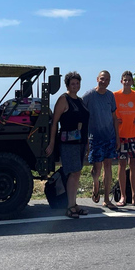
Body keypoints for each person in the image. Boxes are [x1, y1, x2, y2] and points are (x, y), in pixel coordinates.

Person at [46, 71, 90, 219]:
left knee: (76, 173)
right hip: (68, 143)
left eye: (77, 83)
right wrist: (52, 142)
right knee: (73, 172)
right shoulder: (63, 100)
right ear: (67, 85)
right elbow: (54, 123)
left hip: (81, 141)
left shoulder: (80, 100)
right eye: (73, 83)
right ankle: (70, 206)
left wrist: (87, 142)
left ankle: (73, 203)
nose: (75, 86)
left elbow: (85, 124)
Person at [83, 70, 119, 210]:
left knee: (108, 166)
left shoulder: (111, 96)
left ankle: (106, 198)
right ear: (97, 79)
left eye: (107, 79)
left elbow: (114, 117)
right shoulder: (89, 96)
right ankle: (95, 185)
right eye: (102, 79)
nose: (104, 81)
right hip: (95, 138)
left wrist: (117, 138)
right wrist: (85, 140)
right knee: (96, 169)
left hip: (109, 137)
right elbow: (82, 117)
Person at [113, 71, 135, 206]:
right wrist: (115, 119)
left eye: (129, 80)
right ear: (121, 81)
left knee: (133, 165)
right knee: (121, 165)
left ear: (132, 82)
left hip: (134, 136)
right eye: (124, 80)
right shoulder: (115, 95)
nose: (127, 82)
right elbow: (111, 111)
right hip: (120, 135)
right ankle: (122, 196)